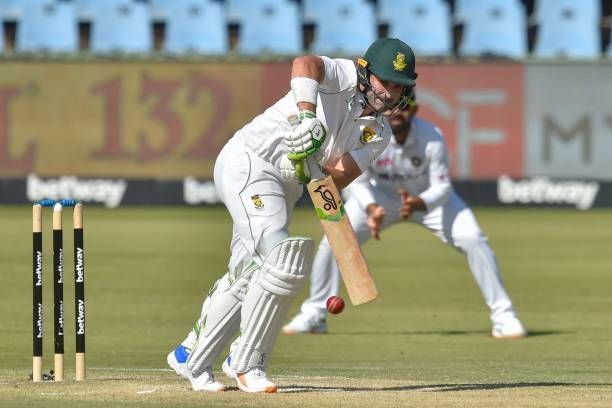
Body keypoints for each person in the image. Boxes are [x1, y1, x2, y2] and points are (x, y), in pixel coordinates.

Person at [166, 38, 419, 393]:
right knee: (278, 258)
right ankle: (246, 363)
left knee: (248, 271)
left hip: (288, 182)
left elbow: (338, 176)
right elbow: (305, 63)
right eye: (385, 81)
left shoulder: (379, 133)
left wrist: (302, 164)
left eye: (399, 86)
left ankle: (188, 352)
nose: (391, 92)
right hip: (251, 161)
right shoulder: (342, 74)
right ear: (365, 72)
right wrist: (306, 116)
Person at [282, 92, 527, 340]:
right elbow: (358, 182)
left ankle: (504, 316)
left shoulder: (432, 137)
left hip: (428, 202)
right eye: (394, 106)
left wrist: (419, 203)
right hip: (380, 201)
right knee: (334, 243)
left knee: (473, 239)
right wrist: (371, 208)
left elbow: (442, 188)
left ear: (415, 110)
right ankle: (315, 313)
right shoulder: (370, 133)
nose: (398, 112)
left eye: (405, 106)